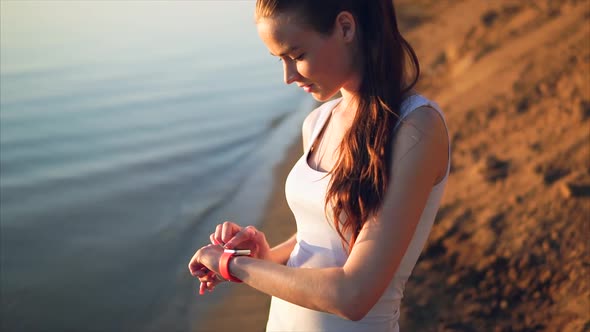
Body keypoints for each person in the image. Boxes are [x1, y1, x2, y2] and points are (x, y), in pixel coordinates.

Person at [188, 0, 450, 331]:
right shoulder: (318, 122)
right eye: (280, 60)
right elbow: (325, 236)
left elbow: (354, 295)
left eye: (297, 56)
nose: (288, 76)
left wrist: (232, 265)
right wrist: (265, 258)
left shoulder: (415, 128)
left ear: (345, 27)